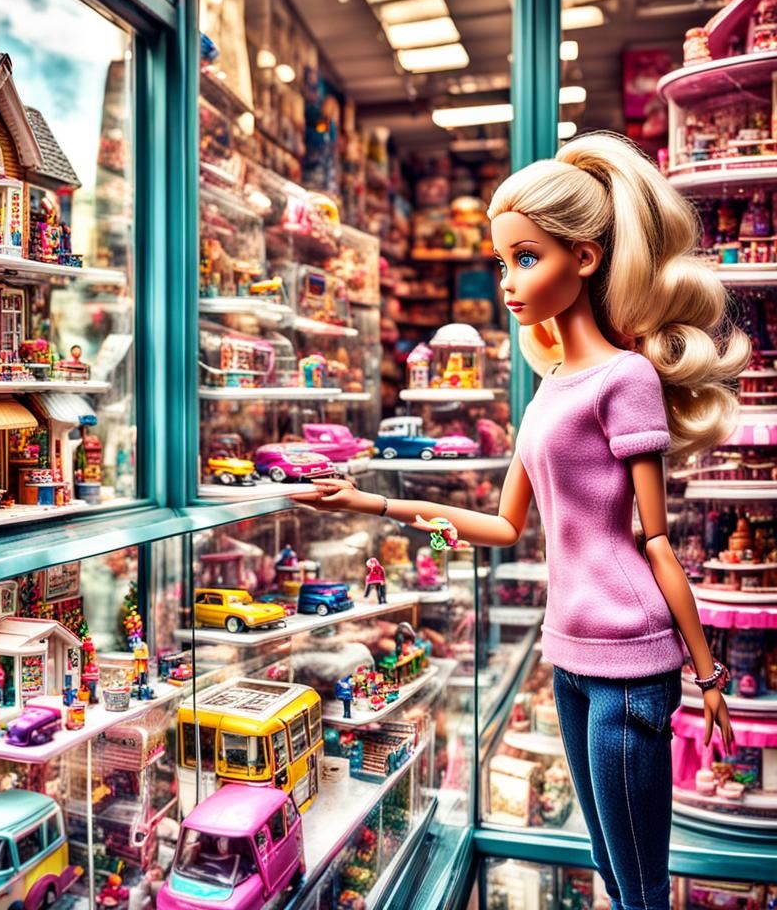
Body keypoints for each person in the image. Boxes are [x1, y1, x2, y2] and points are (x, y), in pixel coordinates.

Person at [293, 133, 744, 910]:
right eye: (503, 261)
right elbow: (503, 526)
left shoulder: (626, 378)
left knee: (638, 886)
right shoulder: (550, 388)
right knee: (609, 864)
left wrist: (706, 678)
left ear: (586, 258)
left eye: (526, 258)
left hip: (632, 660)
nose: (507, 281)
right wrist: (377, 504)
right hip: (567, 654)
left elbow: (656, 542)